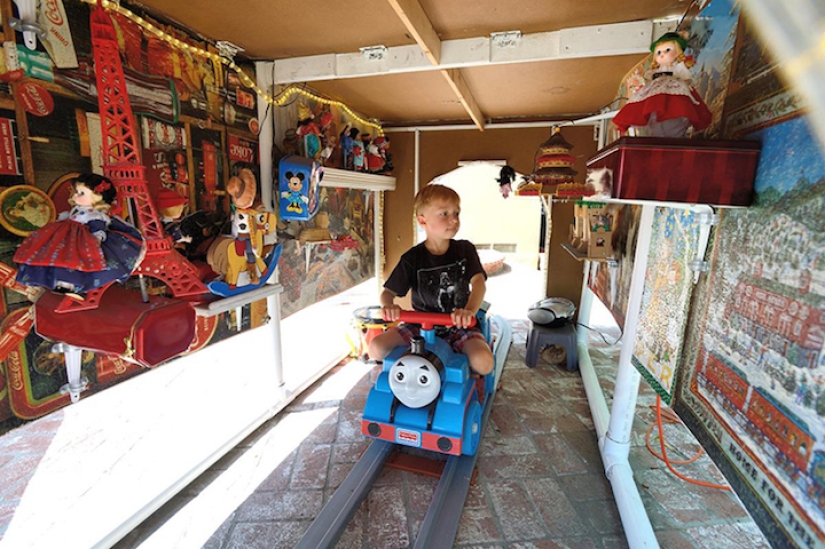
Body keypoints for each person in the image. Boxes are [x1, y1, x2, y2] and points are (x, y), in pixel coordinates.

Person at [368, 184, 494, 376]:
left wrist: (468, 311)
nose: (453, 219)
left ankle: (468, 379)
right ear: (422, 220)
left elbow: (479, 283)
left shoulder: (465, 249)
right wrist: (388, 306)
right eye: (444, 214)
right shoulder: (412, 258)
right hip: (420, 326)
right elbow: (388, 292)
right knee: (376, 348)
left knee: (484, 363)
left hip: (458, 325)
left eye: (456, 213)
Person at [13, 173, 145, 294]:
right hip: (68, 237)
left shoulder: (95, 214)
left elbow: (97, 229)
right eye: (76, 192)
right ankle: (46, 280)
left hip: (82, 242)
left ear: (97, 198)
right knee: (53, 255)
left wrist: (95, 243)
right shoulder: (77, 209)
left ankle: (68, 284)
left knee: (70, 261)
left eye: (81, 193)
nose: (75, 196)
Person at [612, 31, 712, 138]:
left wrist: (686, 86)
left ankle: (675, 134)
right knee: (653, 113)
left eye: (667, 50)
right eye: (659, 52)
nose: (662, 54)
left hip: (673, 92)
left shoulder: (678, 68)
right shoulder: (653, 72)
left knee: (676, 111)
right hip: (655, 94)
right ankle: (656, 134)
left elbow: (684, 77)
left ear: (677, 51)